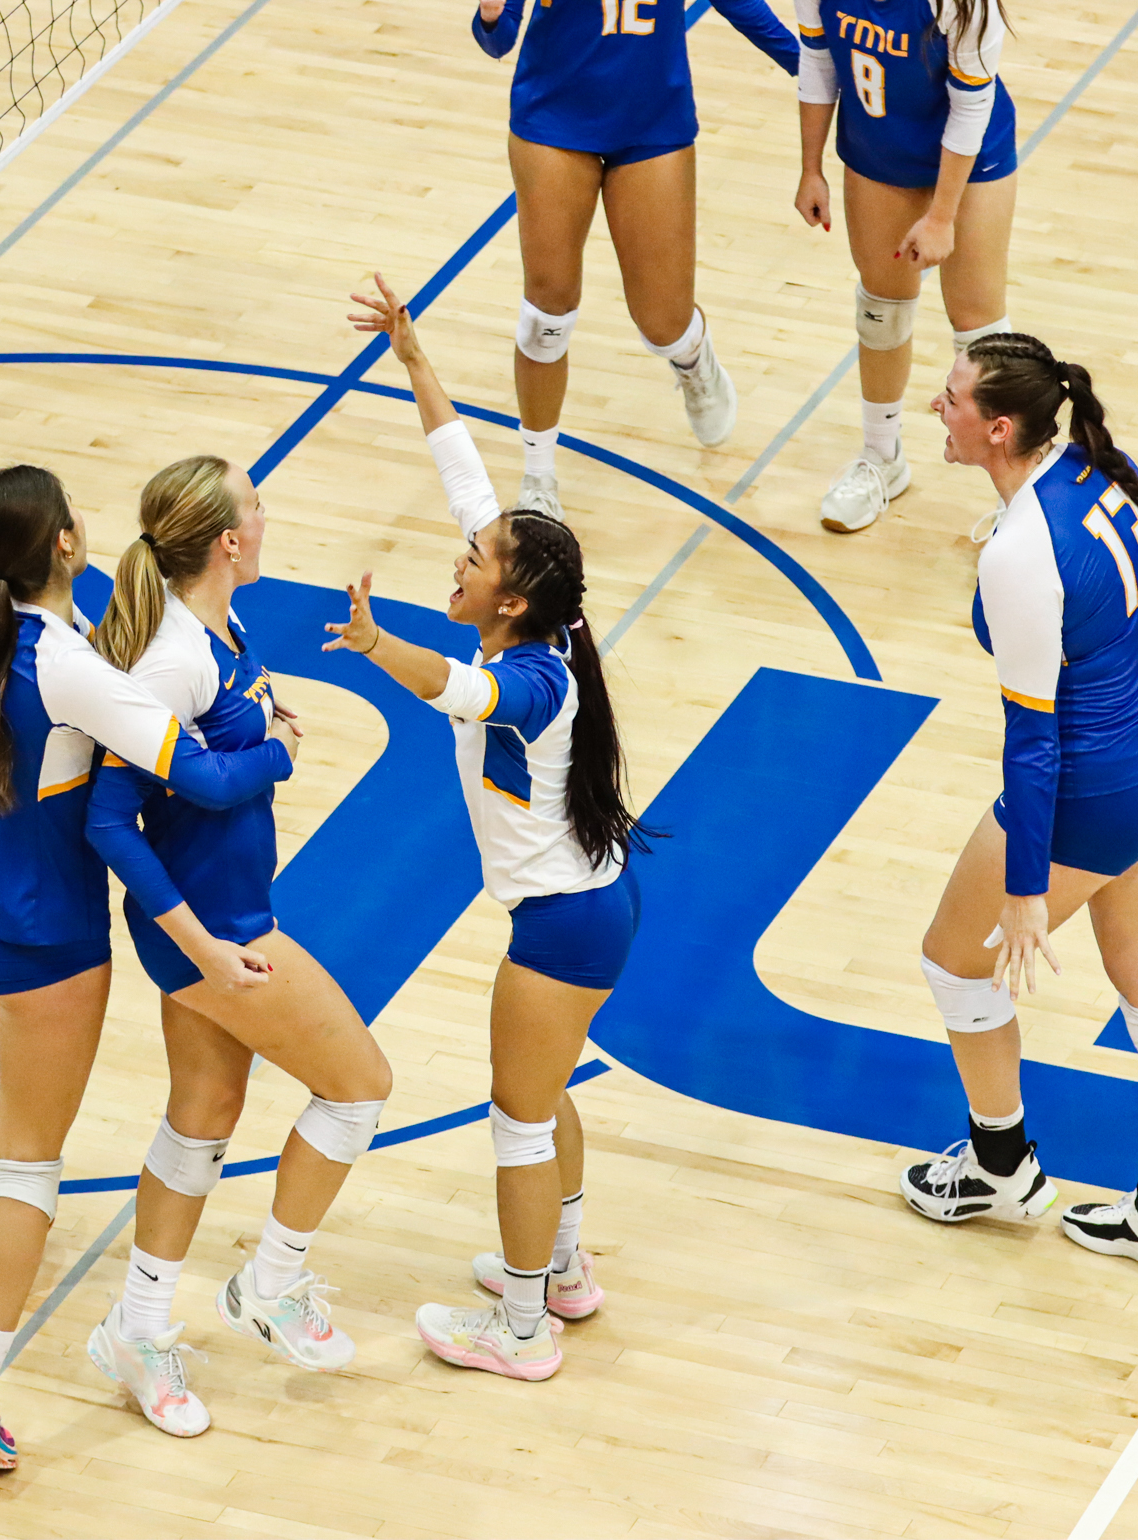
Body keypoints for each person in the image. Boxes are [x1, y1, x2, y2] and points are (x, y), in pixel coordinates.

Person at [0, 464, 297, 1470]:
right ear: (64, 544)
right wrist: (273, 745)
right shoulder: (74, 668)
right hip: (40, 928)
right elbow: (202, 774)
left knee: (6, 1064)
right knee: (34, 1170)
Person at [332, 275, 650, 1380]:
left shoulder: (527, 681)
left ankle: (519, 1329)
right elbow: (465, 474)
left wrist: (376, 647)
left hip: (560, 923)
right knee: (545, 1090)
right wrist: (413, 360)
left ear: (506, 601)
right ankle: (560, 1272)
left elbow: (461, 700)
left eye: (474, 563)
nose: (458, 560)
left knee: (516, 1115)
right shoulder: (536, 612)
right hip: (590, 903)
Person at [79, 456, 393, 1438]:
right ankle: (271, 1283)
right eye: (255, 507)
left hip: (216, 915)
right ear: (226, 540)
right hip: (216, 928)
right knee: (357, 1085)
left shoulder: (222, 626)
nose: (266, 518)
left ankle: (136, 1328)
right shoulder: (174, 654)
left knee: (203, 1115)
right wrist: (204, 948)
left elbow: (209, 760)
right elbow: (109, 819)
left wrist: (263, 732)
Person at [899, 334, 1138, 1286]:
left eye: (949, 400)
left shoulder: (1022, 550)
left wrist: (1028, 888)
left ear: (997, 429)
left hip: (1093, 784)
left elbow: (1032, 744)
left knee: (957, 967)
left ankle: (1000, 1167)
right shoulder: (1101, 471)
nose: (935, 411)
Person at [469, 0, 803, 515]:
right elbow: (496, 38)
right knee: (546, 313)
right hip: (553, 118)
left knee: (662, 321)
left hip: (652, 121)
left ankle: (692, 358)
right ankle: (538, 478)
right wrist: (492, 17)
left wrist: (812, 69)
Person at [792, 0, 1017, 534]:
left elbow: (969, 104)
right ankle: (881, 458)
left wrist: (942, 216)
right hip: (879, 150)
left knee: (979, 328)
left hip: (970, 158)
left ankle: (1022, 488)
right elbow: (818, 59)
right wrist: (810, 168)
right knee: (882, 310)